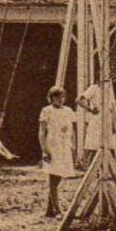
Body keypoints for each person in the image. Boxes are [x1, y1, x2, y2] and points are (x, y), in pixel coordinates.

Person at [39, 86, 79, 218]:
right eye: (56, 98)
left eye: (62, 97)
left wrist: (74, 146)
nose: (60, 100)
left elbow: (72, 130)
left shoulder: (68, 110)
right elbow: (42, 131)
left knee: (60, 175)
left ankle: (49, 209)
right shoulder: (47, 111)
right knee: (53, 177)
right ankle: (57, 210)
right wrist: (44, 150)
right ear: (50, 99)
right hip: (53, 145)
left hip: (65, 145)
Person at [76, 80, 116, 166]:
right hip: (97, 118)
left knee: (106, 143)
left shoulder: (109, 90)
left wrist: (112, 123)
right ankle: (82, 162)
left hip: (107, 118)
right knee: (92, 142)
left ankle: (104, 165)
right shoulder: (94, 88)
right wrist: (90, 109)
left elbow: (111, 107)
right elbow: (78, 100)